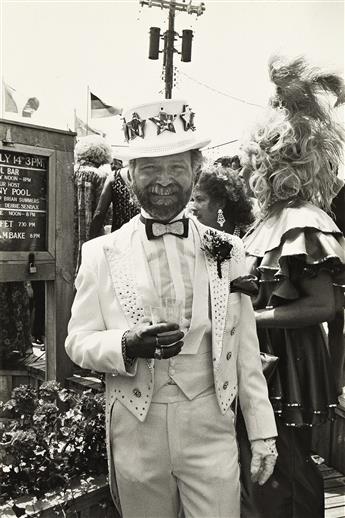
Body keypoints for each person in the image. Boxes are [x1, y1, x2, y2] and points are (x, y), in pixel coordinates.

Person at [65, 99, 278, 518]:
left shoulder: (228, 249)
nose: (164, 181)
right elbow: (78, 341)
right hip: (135, 428)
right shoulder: (100, 254)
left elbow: (245, 351)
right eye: (149, 168)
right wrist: (125, 344)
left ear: (195, 171)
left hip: (210, 424)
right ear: (129, 175)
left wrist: (262, 432)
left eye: (177, 168)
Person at [240, 56, 345, 518]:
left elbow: (324, 304)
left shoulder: (303, 220)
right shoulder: (272, 220)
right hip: (271, 362)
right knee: (272, 473)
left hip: (290, 365)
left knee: (288, 472)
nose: (249, 171)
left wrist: (252, 318)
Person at [73, 135, 112, 272]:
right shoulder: (101, 176)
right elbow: (105, 212)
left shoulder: (70, 172)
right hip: (93, 232)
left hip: (69, 229)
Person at [191, 164, 254, 237]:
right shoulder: (193, 239)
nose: (193, 207)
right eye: (193, 200)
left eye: (200, 199)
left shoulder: (249, 239)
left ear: (220, 203)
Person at [89, 158, 140, 238]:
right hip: (142, 235)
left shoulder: (114, 176)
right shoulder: (150, 178)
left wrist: (91, 239)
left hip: (119, 237)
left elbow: (99, 214)